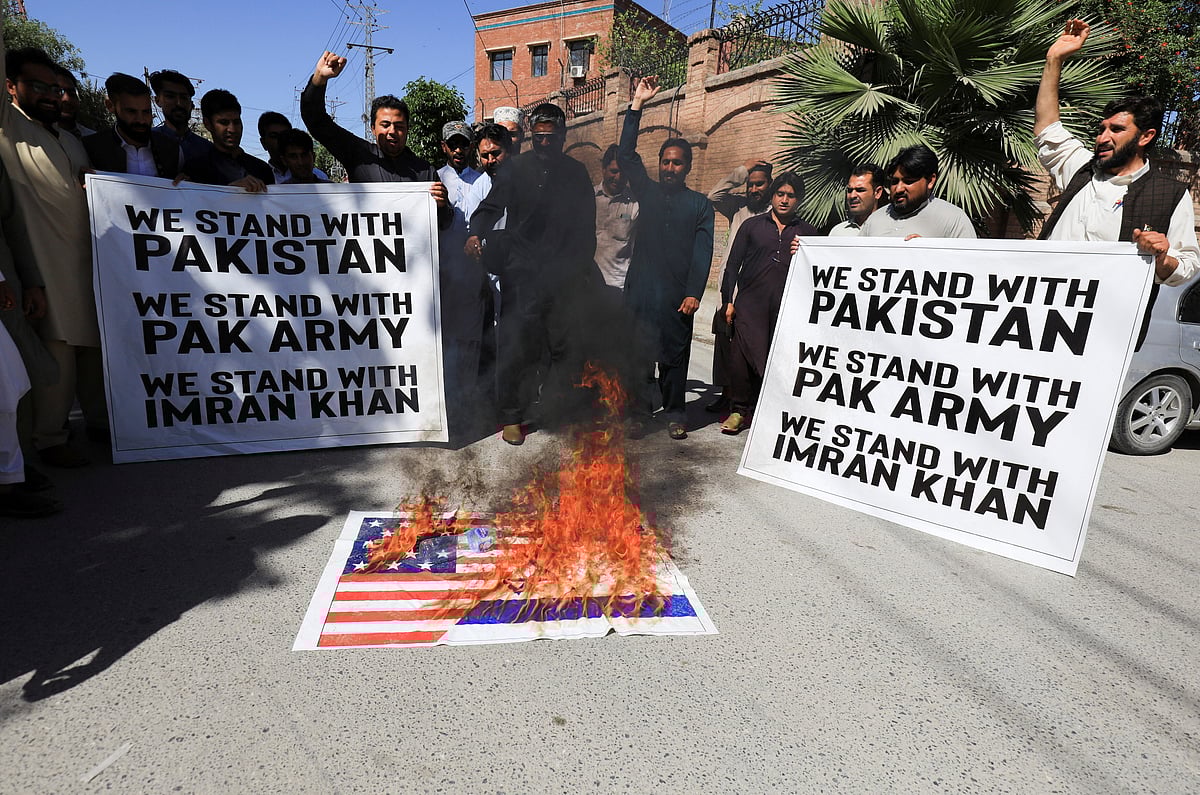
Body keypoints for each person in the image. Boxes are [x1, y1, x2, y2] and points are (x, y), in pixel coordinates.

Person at [1035, 18, 1199, 347]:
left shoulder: (1169, 193)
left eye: (1116, 130)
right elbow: (1048, 129)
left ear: (1146, 136)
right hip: (1036, 318)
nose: (1103, 137)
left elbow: (1186, 266)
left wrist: (1160, 256)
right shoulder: (1081, 169)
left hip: (1101, 336)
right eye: (1102, 128)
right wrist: (1054, 60)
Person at [465, 103, 597, 445]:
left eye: (551, 138)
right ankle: (511, 416)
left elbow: (587, 227)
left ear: (563, 136)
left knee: (563, 349)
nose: (544, 144)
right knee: (515, 346)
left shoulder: (576, 173)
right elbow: (490, 207)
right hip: (521, 274)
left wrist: (581, 268)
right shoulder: (515, 168)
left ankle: (552, 409)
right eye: (538, 137)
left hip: (562, 276)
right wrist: (474, 233)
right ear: (531, 136)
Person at [0, 43, 105, 468]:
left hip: (86, 268)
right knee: (54, 354)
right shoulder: (8, 127)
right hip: (42, 270)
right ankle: (47, 441)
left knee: (93, 353)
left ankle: (103, 427)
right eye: (37, 85)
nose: (51, 94)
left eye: (55, 87)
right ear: (10, 87)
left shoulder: (70, 142)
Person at [620, 76, 715, 440]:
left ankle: (675, 411)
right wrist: (637, 105)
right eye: (665, 162)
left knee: (674, 358)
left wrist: (694, 293)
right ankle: (639, 412)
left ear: (687, 167)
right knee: (640, 357)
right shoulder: (649, 192)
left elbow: (703, 251)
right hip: (642, 293)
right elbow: (627, 156)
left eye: (676, 163)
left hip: (678, 297)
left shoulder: (699, 205)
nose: (669, 168)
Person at [719, 172, 818, 434]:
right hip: (750, 304)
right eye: (780, 194)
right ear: (772, 196)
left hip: (785, 308)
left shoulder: (807, 233)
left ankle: (769, 412)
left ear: (800, 199)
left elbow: (816, 273)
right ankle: (739, 412)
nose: (784, 200)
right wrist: (728, 301)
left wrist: (806, 252)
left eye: (791, 195)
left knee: (777, 360)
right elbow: (732, 266)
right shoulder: (751, 226)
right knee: (741, 360)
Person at [300, 50, 449, 221]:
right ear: (373, 128)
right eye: (385, 125)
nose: (392, 131)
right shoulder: (359, 156)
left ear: (407, 129)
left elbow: (443, 223)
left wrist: (442, 205)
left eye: (399, 126)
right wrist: (320, 79)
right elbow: (316, 121)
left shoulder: (425, 172)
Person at [706, 157, 772, 414]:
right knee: (724, 342)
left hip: (754, 292)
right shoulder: (738, 208)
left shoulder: (772, 213)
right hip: (729, 288)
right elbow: (714, 196)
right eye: (750, 184)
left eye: (760, 184)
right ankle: (726, 394)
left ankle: (746, 399)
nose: (754, 189)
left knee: (746, 345)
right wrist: (742, 171)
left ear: (770, 185)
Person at [437, 120, 488, 430]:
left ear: (471, 147)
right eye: (452, 144)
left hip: (473, 270)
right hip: (440, 269)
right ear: (444, 146)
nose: (458, 149)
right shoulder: (433, 179)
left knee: (471, 339)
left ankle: (468, 405)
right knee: (444, 337)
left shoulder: (482, 180)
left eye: (464, 144)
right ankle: (444, 404)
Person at [858, 145, 976, 239]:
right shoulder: (875, 220)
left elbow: (968, 264)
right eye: (894, 182)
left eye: (908, 182)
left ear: (930, 181)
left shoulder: (953, 219)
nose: (898, 189)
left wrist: (927, 254)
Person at [82, 72, 181, 178]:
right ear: (110, 106)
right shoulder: (91, 148)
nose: (141, 120)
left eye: (146, 112)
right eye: (131, 112)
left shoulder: (172, 150)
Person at [181, 89, 273, 190]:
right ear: (207, 124)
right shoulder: (195, 170)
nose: (232, 129)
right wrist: (229, 192)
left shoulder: (262, 169)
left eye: (236, 122)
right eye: (224, 122)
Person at [594, 143, 639, 291]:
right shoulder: (589, 198)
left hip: (618, 286)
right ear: (603, 170)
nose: (618, 177)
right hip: (588, 283)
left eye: (623, 173)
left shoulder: (634, 204)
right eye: (613, 171)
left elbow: (636, 248)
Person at [149, 69, 213, 163]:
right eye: (170, 96)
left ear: (191, 104)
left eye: (183, 98)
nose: (179, 103)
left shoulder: (207, 150)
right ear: (157, 101)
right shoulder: (147, 142)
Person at [258, 111, 328, 184]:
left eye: (285, 135)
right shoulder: (258, 178)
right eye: (274, 136)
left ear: (313, 156)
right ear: (263, 143)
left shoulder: (320, 177)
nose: (300, 162)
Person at [828, 164, 887, 236]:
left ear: (878, 192)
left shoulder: (891, 230)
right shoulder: (838, 232)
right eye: (849, 190)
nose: (852, 196)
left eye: (860, 190)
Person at [52, 66, 93, 139]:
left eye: (72, 93)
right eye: (58, 92)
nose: (67, 99)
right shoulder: (30, 137)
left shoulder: (93, 140)